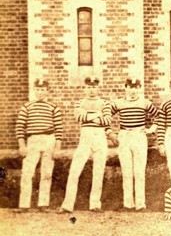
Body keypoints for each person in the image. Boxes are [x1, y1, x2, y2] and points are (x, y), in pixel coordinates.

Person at [59, 76, 112, 213]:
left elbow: (107, 120)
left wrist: (88, 116)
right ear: (85, 88)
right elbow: (78, 116)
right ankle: (67, 205)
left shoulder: (104, 103)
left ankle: (95, 204)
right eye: (89, 87)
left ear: (98, 88)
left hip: (100, 137)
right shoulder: (80, 102)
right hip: (85, 137)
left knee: (98, 171)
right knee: (75, 170)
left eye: (94, 87)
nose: (91, 90)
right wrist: (96, 116)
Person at [108, 78, 158, 212]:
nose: (133, 90)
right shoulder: (119, 103)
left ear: (139, 88)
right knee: (127, 171)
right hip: (124, 136)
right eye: (130, 87)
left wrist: (151, 129)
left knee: (139, 171)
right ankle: (128, 204)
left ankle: (140, 205)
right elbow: (106, 116)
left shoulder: (145, 102)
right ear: (125, 87)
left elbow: (159, 116)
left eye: (136, 87)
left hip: (139, 136)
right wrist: (110, 132)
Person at [16, 79, 62, 212]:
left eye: (43, 90)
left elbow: (58, 129)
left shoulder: (53, 107)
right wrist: (22, 146)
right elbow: (20, 127)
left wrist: (57, 148)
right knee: (27, 172)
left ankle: (43, 204)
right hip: (33, 140)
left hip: (49, 139)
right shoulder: (27, 107)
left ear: (47, 91)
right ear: (34, 91)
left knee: (46, 173)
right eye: (38, 89)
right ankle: (24, 205)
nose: (41, 92)